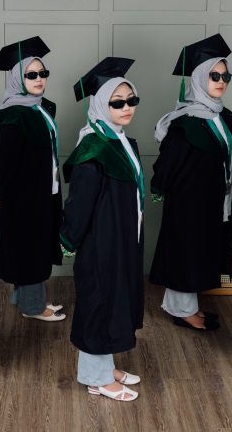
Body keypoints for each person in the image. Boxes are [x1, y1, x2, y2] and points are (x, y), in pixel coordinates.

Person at [60, 57, 144, 402]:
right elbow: (79, 203)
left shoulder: (120, 140)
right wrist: (69, 239)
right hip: (100, 243)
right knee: (98, 303)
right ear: (100, 105)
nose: (127, 108)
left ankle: (105, 366)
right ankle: (95, 378)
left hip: (119, 239)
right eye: (117, 102)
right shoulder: (93, 148)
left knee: (113, 302)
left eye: (131, 100)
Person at [149, 34, 232, 331]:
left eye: (226, 76)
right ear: (200, 78)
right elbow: (167, 162)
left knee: (199, 252)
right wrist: (159, 187)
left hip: (212, 199)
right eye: (214, 76)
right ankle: (182, 310)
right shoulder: (185, 123)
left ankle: (188, 306)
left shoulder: (222, 116)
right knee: (186, 252)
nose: (221, 81)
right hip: (187, 202)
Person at [0, 36, 65, 322]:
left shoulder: (39, 107)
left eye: (43, 73)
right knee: (31, 248)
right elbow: (2, 157)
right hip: (25, 194)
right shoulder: (14, 114)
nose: (39, 78)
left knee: (33, 244)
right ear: (18, 79)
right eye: (31, 74)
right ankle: (33, 307)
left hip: (44, 188)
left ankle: (24, 297)